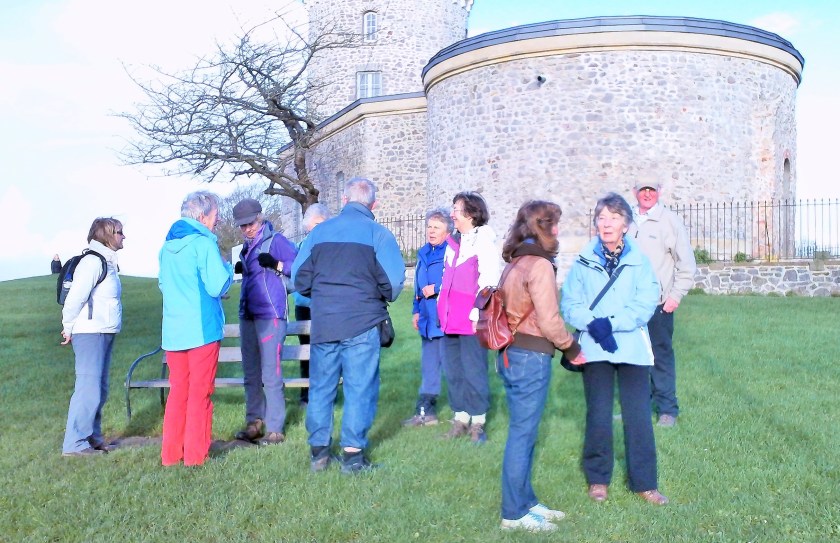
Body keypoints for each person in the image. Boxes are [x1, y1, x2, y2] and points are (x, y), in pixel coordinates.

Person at [561, 192, 668, 505]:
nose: (606, 224)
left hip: (632, 347)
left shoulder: (639, 260)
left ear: (626, 224)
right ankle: (598, 479)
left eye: (614, 218)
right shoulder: (583, 260)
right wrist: (593, 324)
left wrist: (612, 323)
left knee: (638, 417)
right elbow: (570, 302)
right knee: (598, 414)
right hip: (595, 348)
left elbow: (646, 301)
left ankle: (645, 483)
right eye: (601, 218)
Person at [293, 178, 405, 474]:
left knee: (321, 388)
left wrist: (324, 294)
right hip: (362, 322)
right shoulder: (378, 234)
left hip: (325, 322)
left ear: (343, 200)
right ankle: (353, 456)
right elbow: (393, 285)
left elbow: (298, 280)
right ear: (374, 205)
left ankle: (319, 453)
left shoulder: (318, 234)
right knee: (359, 389)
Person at [497, 201, 584, 532]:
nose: (558, 230)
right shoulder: (539, 265)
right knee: (522, 434)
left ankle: (526, 501)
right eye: (554, 224)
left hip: (511, 354)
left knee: (526, 432)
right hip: (529, 356)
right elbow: (549, 321)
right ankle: (513, 514)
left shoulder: (516, 260)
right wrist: (572, 347)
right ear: (542, 227)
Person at [159, 191, 233, 467]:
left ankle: (170, 455)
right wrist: (225, 269)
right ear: (202, 217)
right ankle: (195, 456)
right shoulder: (203, 245)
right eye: (215, 215)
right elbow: (217, 286)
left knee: (178, 392)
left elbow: (163, 286)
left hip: (174, 331)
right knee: (200, 393)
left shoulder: (165, 249)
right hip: (202, 330)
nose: (217, 219)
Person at [629, 180, 697, 427]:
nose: (647, 194)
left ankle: (668, 410)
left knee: (660, 358)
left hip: (658, 304)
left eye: (652, 190)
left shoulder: (670, 221)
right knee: (633, 359)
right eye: (643, 190)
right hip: (629, 305)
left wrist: (675, 296)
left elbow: (687, 264)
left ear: (659, 192)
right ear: (635, 192)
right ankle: (638, 409)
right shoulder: (626, 220)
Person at [231, 198, 298, 445]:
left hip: (271, 315)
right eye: (242, 226)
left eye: (249, 223)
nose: (246, 229)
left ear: (260, 217)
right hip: (247, 313)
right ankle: (254, 423)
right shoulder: (246, 248)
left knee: (271, 373)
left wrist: (277, 264)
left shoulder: (277, 241)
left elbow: (301, 268)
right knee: (251, 373)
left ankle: (275, 428)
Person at [437, 191, 501, 443]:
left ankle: (478, 422)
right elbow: (445, 277)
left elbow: (489, 281)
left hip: (471, 319)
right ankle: (460, 418)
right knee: (453, 370)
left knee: (473, 370)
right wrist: (442, 309)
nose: (452, 214)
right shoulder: (453, 243)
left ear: (471, 214)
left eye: (457, 209)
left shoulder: (483, 241)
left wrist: (477, 313)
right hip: (450, 317)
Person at [60, 218, 125, 457]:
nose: (123, 236)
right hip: (89, 332)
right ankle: (74, 444)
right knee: (88, 388)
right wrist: (68, 327)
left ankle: (93, 438)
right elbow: (74, 298)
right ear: (107, 235)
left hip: (104, 331)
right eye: (119, 232)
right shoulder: (92, 262)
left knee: (100, 387)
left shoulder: (107, 261)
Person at [402, 208, 452, 427]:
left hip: (447, 318)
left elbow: (460, 280)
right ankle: (425, 412)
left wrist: (438, 288)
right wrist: (416, 309)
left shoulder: (453, 251)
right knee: (429, 366)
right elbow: (418, 287)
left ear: (448, 231)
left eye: (436, 227)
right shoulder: (424, 252)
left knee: (452, 367)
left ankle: (466, 413)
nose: (431, 231)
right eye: (429, 226)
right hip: (427, 319)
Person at [291, 203, 333, 407]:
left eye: (317, 223)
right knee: (305, 350)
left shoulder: (331, 245)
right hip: (304, 305)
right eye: (311, 224)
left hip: (324, 305)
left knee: (326, 350)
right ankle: (306, 394)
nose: (312, 228)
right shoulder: (302, 246)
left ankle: (326, 394)